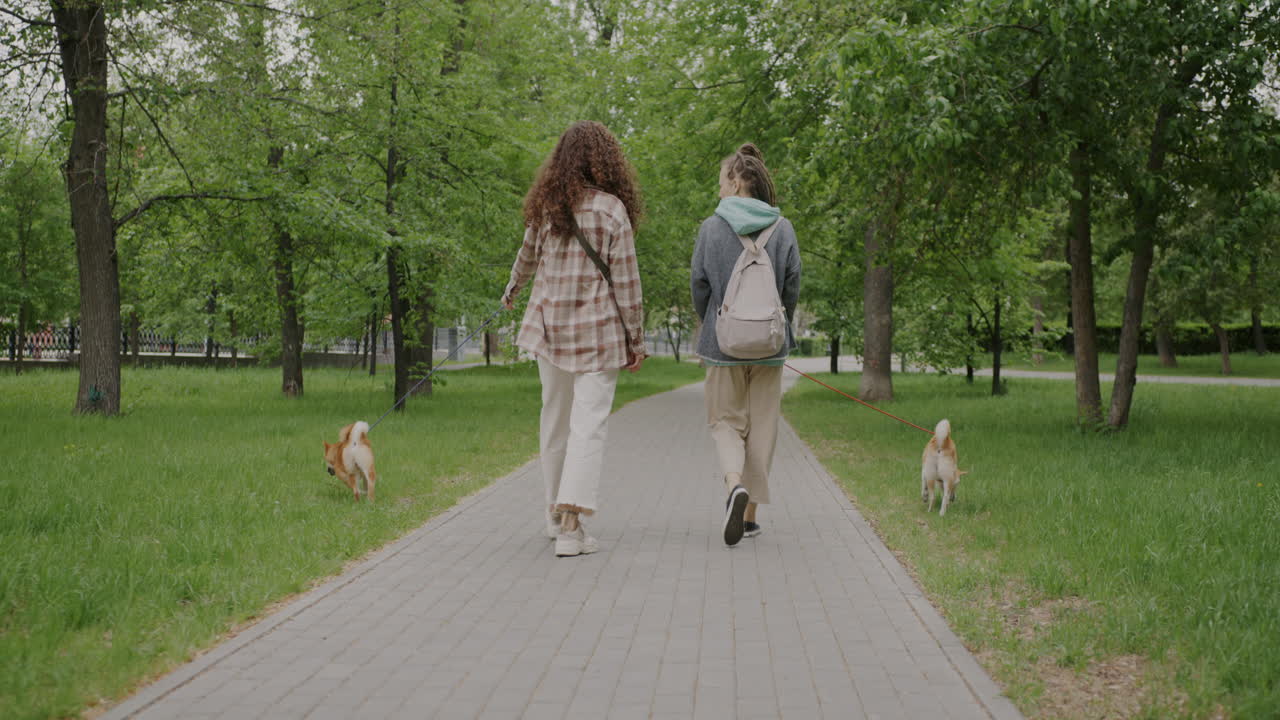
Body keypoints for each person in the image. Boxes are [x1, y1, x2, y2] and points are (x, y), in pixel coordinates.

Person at [502, 121, 647, 558]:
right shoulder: (612, 210)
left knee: (555, 423)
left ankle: (554, 516)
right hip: (598, 333)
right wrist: (636, 339)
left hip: (550, 328)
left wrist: (512, 289)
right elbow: (627, 283)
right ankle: (570, 526)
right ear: (606, 161)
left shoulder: (548, 206)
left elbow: (527, 256)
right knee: (588, 427)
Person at [690, 143, 801, 546]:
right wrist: (776, 326)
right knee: (762, 427)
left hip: (723, 346)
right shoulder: (783, 228)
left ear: (736, 183)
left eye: (722, 181)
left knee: (725, 422)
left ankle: (734, 483)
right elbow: (791, 286)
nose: (719, 189)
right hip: (770, 348)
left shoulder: (711, 228)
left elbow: (699, 285)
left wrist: (712, 323)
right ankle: (750, 515)